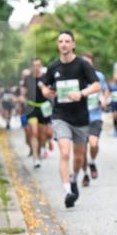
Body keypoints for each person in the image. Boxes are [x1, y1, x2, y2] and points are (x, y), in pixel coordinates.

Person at [40, 31, 101, 209]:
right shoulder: (54, 67)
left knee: (79, 157)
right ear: (58, 45)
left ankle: (74, 178)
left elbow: (96, 85)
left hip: (81, 117)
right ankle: (68, 191)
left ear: (73, 44)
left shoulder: (82, 65)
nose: (64, 44)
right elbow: (44, 83)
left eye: (67, 41)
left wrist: (81, 93)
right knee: (65, 153)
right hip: (61, 116)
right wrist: (45, 91)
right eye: (61, 41)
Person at [79, 53, 109, 184]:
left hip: (95, 115)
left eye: (89, 62)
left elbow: (105, 90)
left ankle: (92, 162)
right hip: (80, 117)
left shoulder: (99, 76)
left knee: (93, 143)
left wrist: (104, 99)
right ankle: (85, 174)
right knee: (82, 150)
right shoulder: (77, 77)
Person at [21, 59, 52, 169]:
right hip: (31, 107)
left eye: (38, 65)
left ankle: (39, 151)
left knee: (42, 135)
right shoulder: (28, 78)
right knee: (33, 132)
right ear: (31, 67)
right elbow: (23, 92)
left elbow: (49, 93)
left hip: (43, 107)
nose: (36, 67)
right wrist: (22, 97)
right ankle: (35, 157)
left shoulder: (45, 78)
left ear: (41, 66)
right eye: (34, 65)